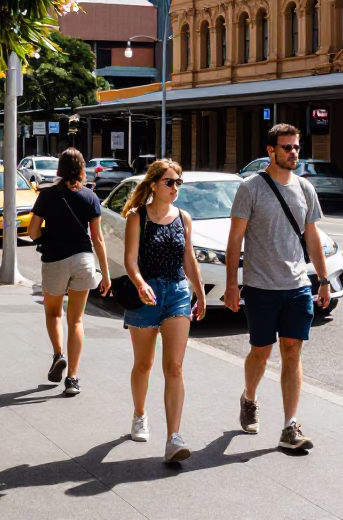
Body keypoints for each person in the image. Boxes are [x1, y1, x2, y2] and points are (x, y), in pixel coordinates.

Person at [224, 124, 332, 451]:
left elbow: (312, 236)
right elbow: (235, 239)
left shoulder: (305, 188)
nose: (293, 152)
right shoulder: (251, 188)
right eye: (286, 147)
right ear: (271, 150)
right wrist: (232, 283)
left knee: (292, 352)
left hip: (297, 285)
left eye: (296, 147)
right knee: (261, 352)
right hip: (260, 286)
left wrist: (323, 280)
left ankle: (289, 426)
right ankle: (250, 397)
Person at [120, 159, 207, 463]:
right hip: (146, 296)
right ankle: (140, 413)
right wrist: (141, 283)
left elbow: (189, 259)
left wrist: (199, 292)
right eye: (170, 182)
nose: (175, 188)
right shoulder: (137, 217)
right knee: (143, 365)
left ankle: (174, 438)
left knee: (175, 367)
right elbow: (130, 260)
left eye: (178, 182)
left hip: (177, 295)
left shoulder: (184, 218)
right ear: (154, 184)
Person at [26, 147, 111, 396]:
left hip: (55, 259)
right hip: (84, 260)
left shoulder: (47, 195)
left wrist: (47, 235)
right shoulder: (90, 197)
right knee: (76, 320)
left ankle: (58, 354)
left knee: (53, 313)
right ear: (82, 170)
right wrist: (105, 274)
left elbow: (32, 232)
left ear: (59, 170)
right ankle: (73, 378)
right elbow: (97, 238)